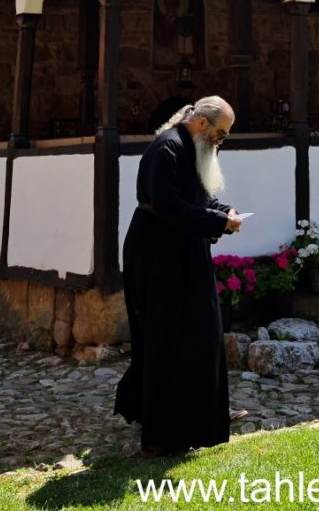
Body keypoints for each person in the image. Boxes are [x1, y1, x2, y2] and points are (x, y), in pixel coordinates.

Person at [114, 95, 243, 456]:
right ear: (202, 123)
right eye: (221, 133)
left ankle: (200, 415)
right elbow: (169, 205)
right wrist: (219, 222)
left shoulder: (194, 149)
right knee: (166, 339)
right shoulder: (166, 148)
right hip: (158, 253)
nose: (221, 141)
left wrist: (224, 210)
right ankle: (161, 436)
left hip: (184, 249)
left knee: (200, 333)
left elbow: (198, 198)